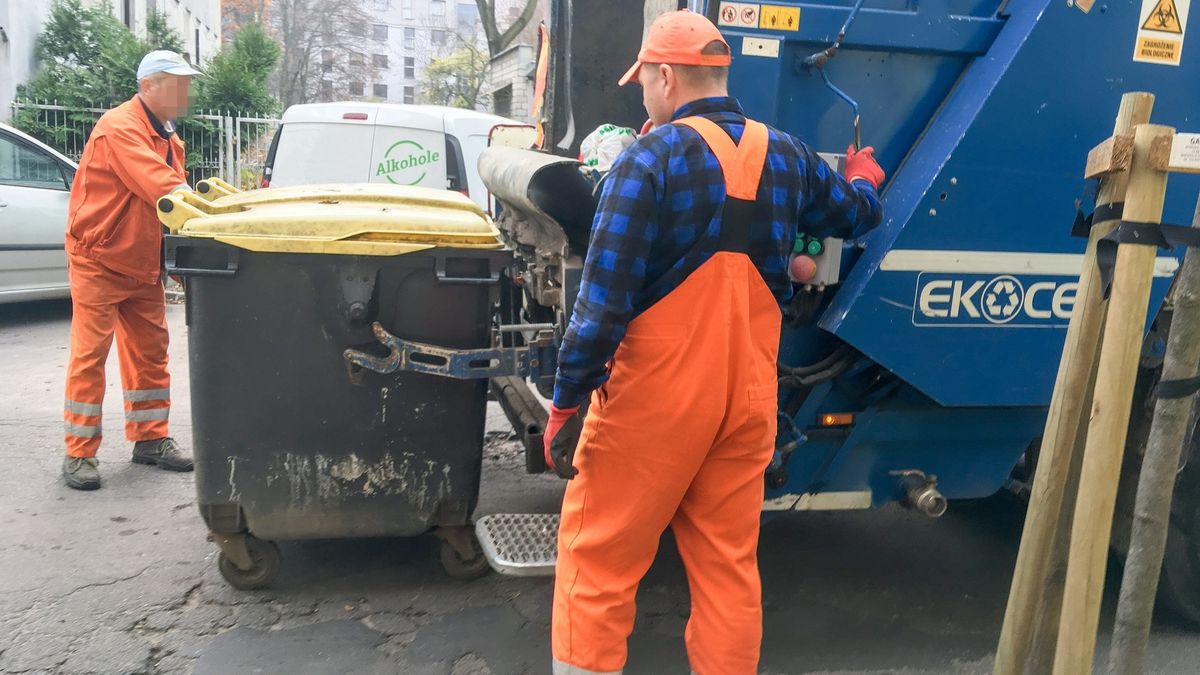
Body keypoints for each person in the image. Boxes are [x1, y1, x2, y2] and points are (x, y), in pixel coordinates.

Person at [541, 10, 886, 675]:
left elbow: (600, 306)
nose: (642, 94)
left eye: (643, 82)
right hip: (747, 399)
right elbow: (856, 212)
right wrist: (865, 173)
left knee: (599, 560)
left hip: (655, 403)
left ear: (665, 77)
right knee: (728, 569)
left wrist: (565, 402)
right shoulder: (786, 153)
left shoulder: (648, 158)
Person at [61, 50, 202, 490]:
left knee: (150, 352)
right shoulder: (120, 127)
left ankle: (150, 440)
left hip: (140, 262)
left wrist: (174, 256)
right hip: (99, 258)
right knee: (91, 356)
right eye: (175, 84)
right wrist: (214, 212)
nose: (184, 93)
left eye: (186, 84)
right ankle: (78, 454)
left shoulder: (168, 137)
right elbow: (162, 188)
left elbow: (164, 210)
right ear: (147, 87)